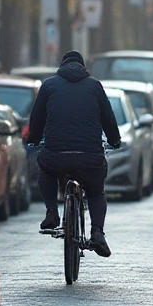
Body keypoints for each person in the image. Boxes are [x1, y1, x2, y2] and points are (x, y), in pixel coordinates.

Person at [26, 50, 121, 258]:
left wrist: (33, 139)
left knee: (45, 168)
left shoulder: (49, 85)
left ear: (61, 66)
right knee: (96, 191)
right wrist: (114, 139)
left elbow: (37, 118)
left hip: (56, 155)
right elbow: (108, 118)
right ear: (83, 66)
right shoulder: (95, 86)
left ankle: (52, 212)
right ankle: (97, 232)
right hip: (90, 156)